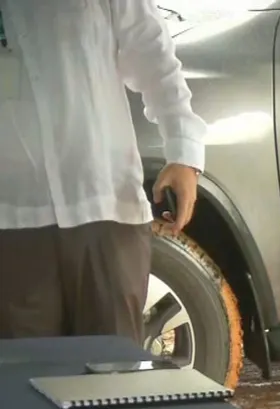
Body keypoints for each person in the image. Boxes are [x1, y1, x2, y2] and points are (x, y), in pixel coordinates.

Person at [0, 0, 205, 342]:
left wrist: (184, 152)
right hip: (14, 220)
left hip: (106, 204)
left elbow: (153, 54)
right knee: (28, 367)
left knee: (114, 363)